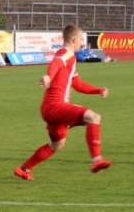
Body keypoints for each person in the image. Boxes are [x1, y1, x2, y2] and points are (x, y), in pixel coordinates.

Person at [14, 24, 112, 181]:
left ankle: (24, 169)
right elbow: (56, 63)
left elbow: (77, 84)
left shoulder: (70, 59)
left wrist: (98, 90)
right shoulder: (66, 53)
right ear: (74, 40)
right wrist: (49, 76)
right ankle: (96, 160)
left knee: (57, 144)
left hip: (49, 109)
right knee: (94, 117)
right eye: (81, 40)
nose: (82, 43)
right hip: (56, 106)